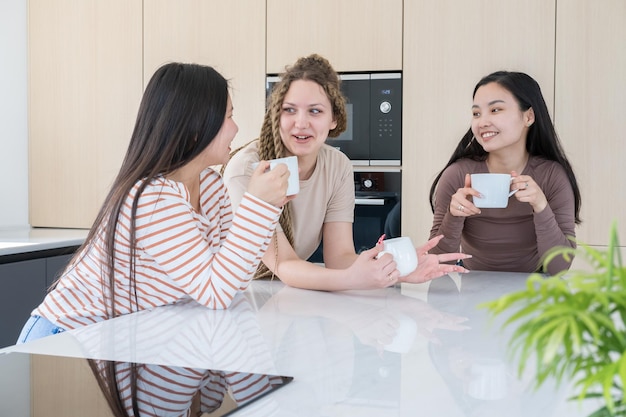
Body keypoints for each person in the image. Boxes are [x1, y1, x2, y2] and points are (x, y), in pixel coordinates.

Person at [17, 62, 291, 344]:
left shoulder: (211, 185)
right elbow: (215, 292)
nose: (236, 128)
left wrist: (269, 207)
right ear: (196, 127)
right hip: (66, 336)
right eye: (228, 116)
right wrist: (258, 205)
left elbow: (234, 281)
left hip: (119, 338)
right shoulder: (153, 197)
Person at [222, 53, 470, 291]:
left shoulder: (338, 166)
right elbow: (284, 265)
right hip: (238, 295)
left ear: (334, 119)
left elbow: (340, 258)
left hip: (289, 293)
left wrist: (398, 269)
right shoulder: (247, 170)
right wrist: (354, 280)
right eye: (289, 110)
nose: (301, 122)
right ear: (276, 116)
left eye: (315, 111)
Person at [428, 70, 581, 275]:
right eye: (476, 113)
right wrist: (454, 216)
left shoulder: (552, 176)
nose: (482, 122)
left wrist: (540, 205)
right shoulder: (457, 175)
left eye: (496, 110)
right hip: (472, 289)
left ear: (528, 116)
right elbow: (436, 264)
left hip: (535, 291)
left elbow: (559, 268)